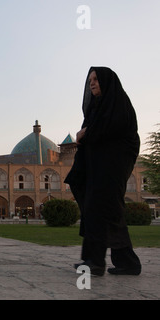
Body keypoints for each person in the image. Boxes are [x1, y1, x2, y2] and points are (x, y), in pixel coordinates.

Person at [65, 66, 142, 276]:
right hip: (98, 167)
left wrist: (87, 132)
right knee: (101, 210)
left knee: (101, 207)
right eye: (90, 80)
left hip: (113, 166)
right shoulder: (97, 108)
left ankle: (96, 262)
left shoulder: (118, 103)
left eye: (96, 79)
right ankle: (123, 262)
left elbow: (114, 127)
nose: (92, 83)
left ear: (107, 82)